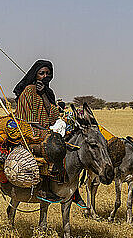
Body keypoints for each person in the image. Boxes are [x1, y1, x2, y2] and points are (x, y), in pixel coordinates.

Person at [13, 59, 85, 207]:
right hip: (28, 131)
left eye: (48, 73)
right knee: (52, 148)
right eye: (41, 73)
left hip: (46, 130)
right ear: (35, 75)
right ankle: (44, 187)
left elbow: (53, 116)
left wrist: (44, 95)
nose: (45, 76)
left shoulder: (48, 92)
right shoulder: (28, 91)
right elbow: (27, 118)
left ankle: (71, 189)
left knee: (72, 146)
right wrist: (45, 131)